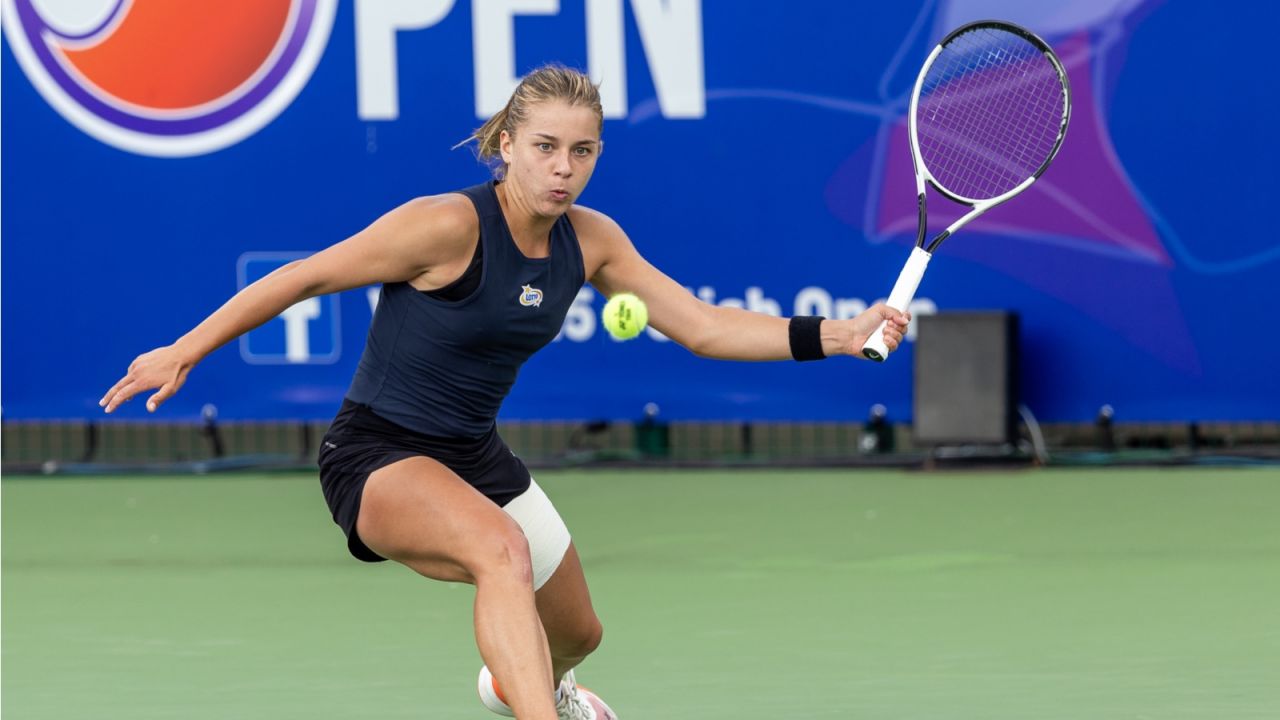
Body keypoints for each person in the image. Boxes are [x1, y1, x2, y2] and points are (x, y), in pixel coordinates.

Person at [99, 64, 910, 720]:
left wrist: (839, 335)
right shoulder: (446, 226)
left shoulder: (593, 241)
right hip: (377, 453)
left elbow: (703, 326)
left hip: (475, 456)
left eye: (582, 151)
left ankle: (519, 684)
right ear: (507, 144)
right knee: (502, 552)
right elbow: (305, 276)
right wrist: (184, 349)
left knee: (580, 633)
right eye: (546, 147)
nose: (563, 168)